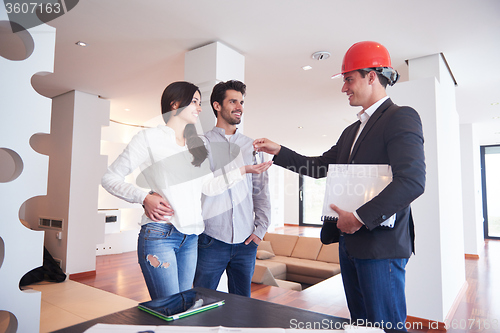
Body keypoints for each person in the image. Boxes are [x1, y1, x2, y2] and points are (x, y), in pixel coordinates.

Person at [254, 41, 426, 329]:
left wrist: (358, 218)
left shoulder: (401, 117)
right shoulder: (351, 131)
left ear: (372, 76)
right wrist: (279, 151)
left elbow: (412, 181)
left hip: (380, 248)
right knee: (360, 325)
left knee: (385, 326)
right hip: (349, 245)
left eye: (348, 79)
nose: (343, 88)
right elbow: (320, 166)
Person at [101, 81, 272, 300]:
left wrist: (244, 170)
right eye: (194, 102)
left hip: (191, 238)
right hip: (160, 234)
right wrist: (143, 197)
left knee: (187, 309)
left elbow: (209, 186)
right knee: (170, 307)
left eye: (200, 103)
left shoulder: (195, 146)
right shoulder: (148, 138)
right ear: (175, 104)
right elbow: (110, 178)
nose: (200, 109)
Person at [193, 80, 272, 297]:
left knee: (242, 305)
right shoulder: (201, 144)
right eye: (233, 101)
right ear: (217, 106)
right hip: (210, 240)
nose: (239, 107)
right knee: (201, 300)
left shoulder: (252, 146)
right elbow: (201, 187)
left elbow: (261, 191)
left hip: (246, 242)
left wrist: (260, 230)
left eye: (242, 102)